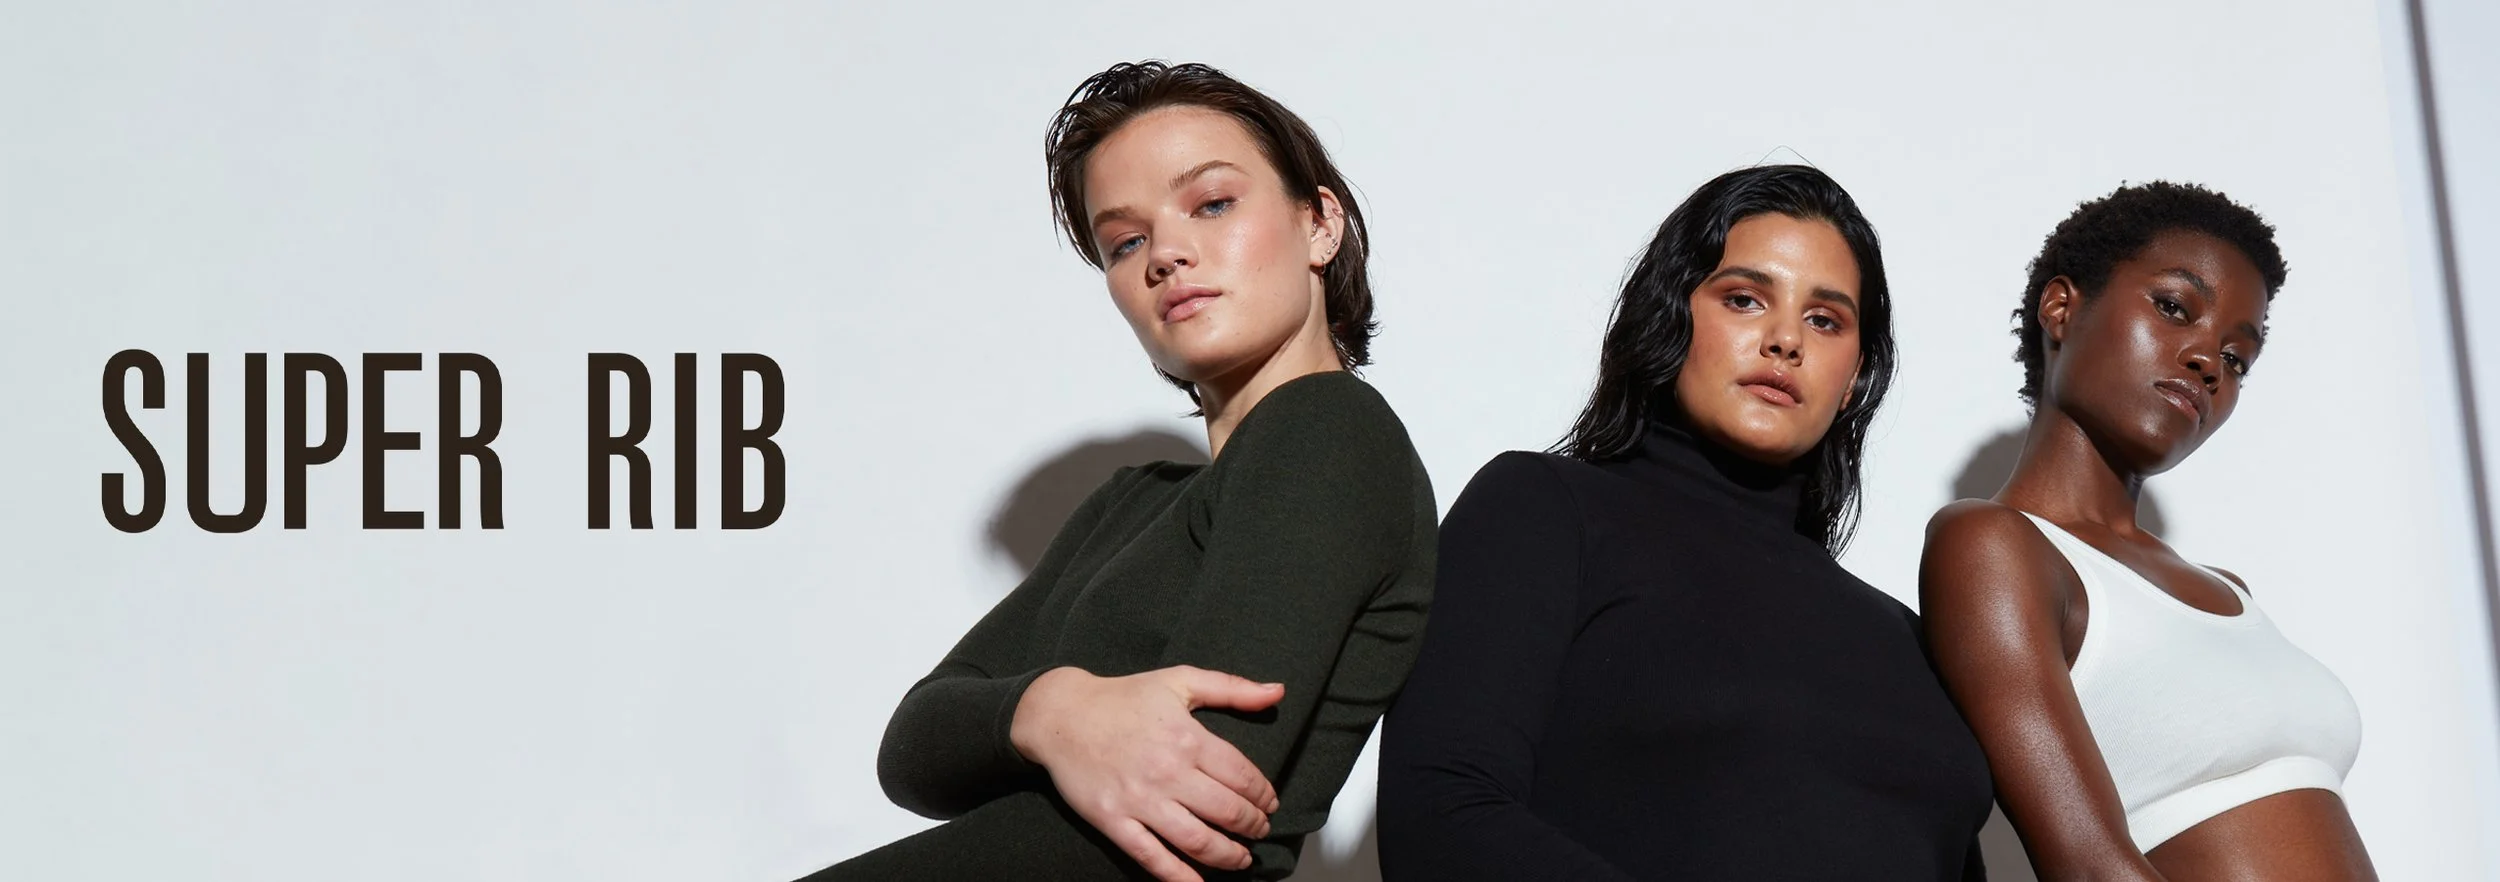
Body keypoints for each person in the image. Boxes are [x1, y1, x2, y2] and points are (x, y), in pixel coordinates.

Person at [802, 61, 1437, 881]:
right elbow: (914, 748)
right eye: (1125, 242)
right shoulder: (1132, 504)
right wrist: (1054, 710)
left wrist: (1029, 721)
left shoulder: (1327, 428)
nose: (1166, 254)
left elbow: (1195, 797)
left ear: (1320, 224)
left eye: (1213, 203)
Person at [1377, 164, 1991, 881]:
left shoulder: (1907, 638)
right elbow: (1440, 814)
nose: (1785, 340)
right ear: (1672, 315)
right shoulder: (1545, 510)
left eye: (1825, 320)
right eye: (1745, 299)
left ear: (1854, 375)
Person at [1919, 182, 2374, 880]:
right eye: (2173, 308)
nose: (2208, 362)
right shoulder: (1994, 547)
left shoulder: (2231, 593)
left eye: (2237, 358)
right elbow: (2089, 865)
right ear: (2061, 309)